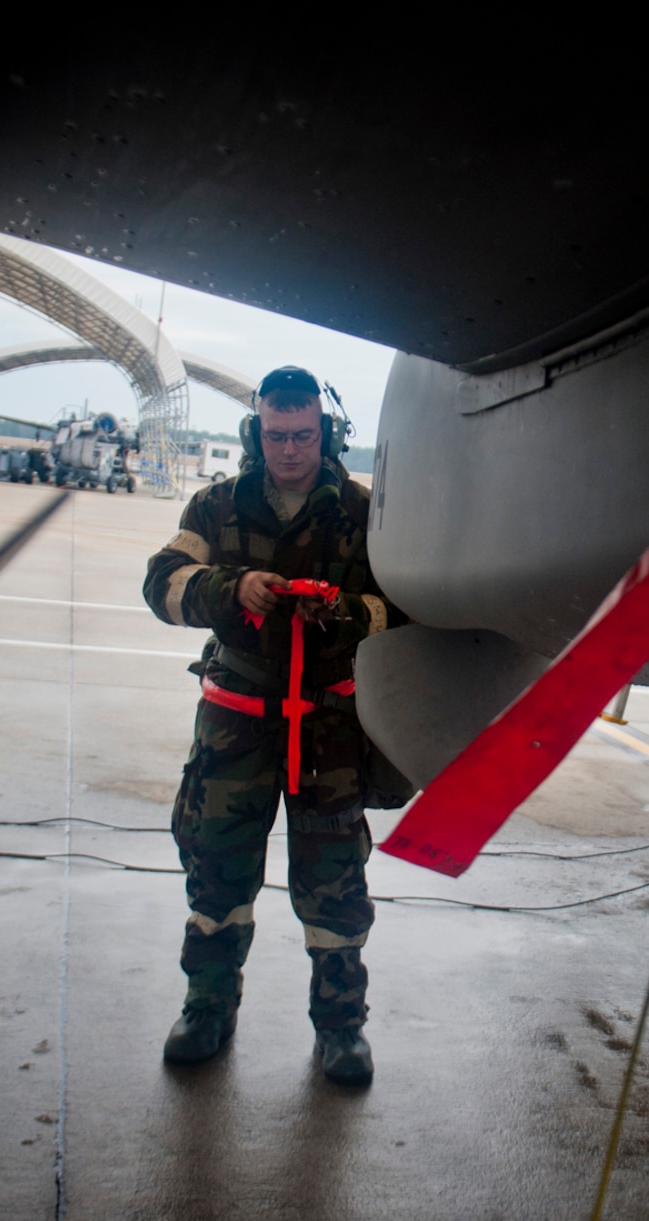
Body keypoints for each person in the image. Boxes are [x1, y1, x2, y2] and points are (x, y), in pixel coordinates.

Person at [142, 366, 404, 1083]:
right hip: (235, 730)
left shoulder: (364, 513)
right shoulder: (218, 506)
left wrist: (350, 615)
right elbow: (160, 583)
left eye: (305, 435)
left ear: (328, 433)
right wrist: (230, 590)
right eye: (277, 434)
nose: (291, 449)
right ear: (255, 431)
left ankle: (342, 1026)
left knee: (335, 881)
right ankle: (206, 1006)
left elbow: (404, 607)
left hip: (327, 731)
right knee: (217, 871)